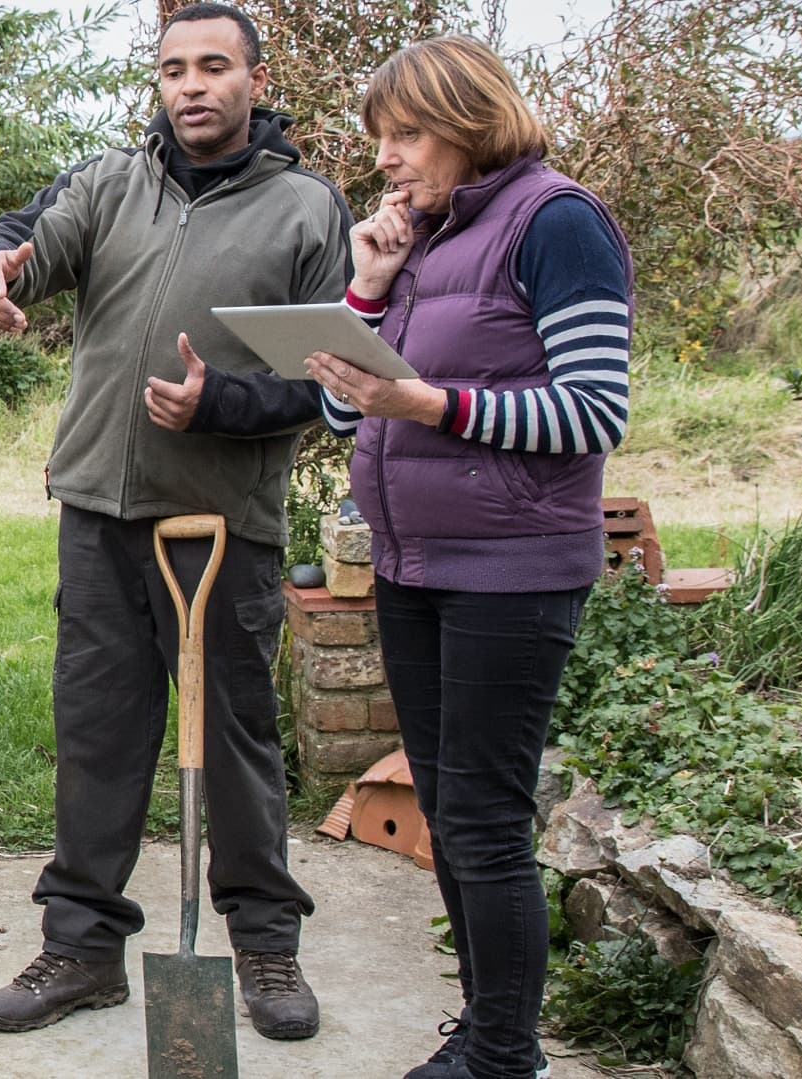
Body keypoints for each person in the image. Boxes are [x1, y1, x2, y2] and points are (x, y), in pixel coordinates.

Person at [0, 2, 352, 1040]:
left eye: (214, 66)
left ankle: (266, 947)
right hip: (97, 515)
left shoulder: (311, 212)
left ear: (255, 82)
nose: (191, 85)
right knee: (97, 734)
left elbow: (329, 383)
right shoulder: (107, 184)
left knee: (235, 739)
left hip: (223, 523)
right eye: (174, 68)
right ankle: (83, 947)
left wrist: (219, 401)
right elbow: (17, 240)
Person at [302, 35, 633, 1079]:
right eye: (381, 140)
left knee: (484, 820)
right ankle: (486, 1031)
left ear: (472, 120)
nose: (388, 159)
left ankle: (501, 1054)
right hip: (414, 563)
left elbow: (591, 411)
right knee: (452, 814)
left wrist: (425, 401)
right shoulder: (429, 243)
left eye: (406, 134)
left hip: (513, 570)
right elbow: (337, 406)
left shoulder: (558, 222)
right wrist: (367, 286)